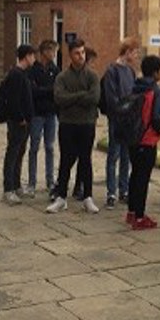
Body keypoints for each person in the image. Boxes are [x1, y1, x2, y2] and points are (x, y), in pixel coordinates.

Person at [46, 39, 101, 214]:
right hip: (68, 123)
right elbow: (60, 99)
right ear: (70, 55)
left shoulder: (92, 76)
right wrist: (80, 96)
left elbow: (94, 98)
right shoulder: (62, 77)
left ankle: (88, 197)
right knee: (65, 160)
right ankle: (61, 196)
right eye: (77, 53)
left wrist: (73, 98)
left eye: (83, 52)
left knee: (86, 160)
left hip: (87, 123)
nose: (81, 56)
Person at [126, 54, 160, 230]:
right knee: (143, 178)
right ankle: (140, 217)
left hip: (132, 136)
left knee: (134, 175)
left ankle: (132, 212)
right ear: (156, 72)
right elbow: (157, 118)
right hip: (147, 139)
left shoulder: (135, 86)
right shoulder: (157, 91)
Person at [101, 37, 139, 208]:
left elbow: (133, 94)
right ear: (128, 52)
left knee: (126, 156)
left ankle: (124, 190)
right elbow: (111, 98)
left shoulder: (130, 72)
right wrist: (123, 109)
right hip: (117, 119)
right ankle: (111, 192)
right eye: (135, 52)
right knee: (113, 155)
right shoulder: (112, 71)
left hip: (129, 120)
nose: (136, 55)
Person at [1, 44, 37, 205]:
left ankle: (16, 185)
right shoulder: (16, 74)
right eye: (32, 56)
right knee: (13, 153)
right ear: (27, 56)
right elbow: (14, 100)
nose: (34, 59)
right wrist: (20, 118)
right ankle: (8, 189)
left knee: (19, 153)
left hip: (25, 122)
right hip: (18, 122)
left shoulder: (23, 74)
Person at [25, 39, 59, 196]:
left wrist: (44, 90)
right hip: (37, 113)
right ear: (45, 52)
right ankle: (32, 182)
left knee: (50, 147)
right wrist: (48, 90)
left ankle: (50, 180)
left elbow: (57, 91)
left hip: (51, 113)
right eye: (52, 51)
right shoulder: (33, 70)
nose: (54, 54)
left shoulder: (55, 70)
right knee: (34, 147)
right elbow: (33, 91)